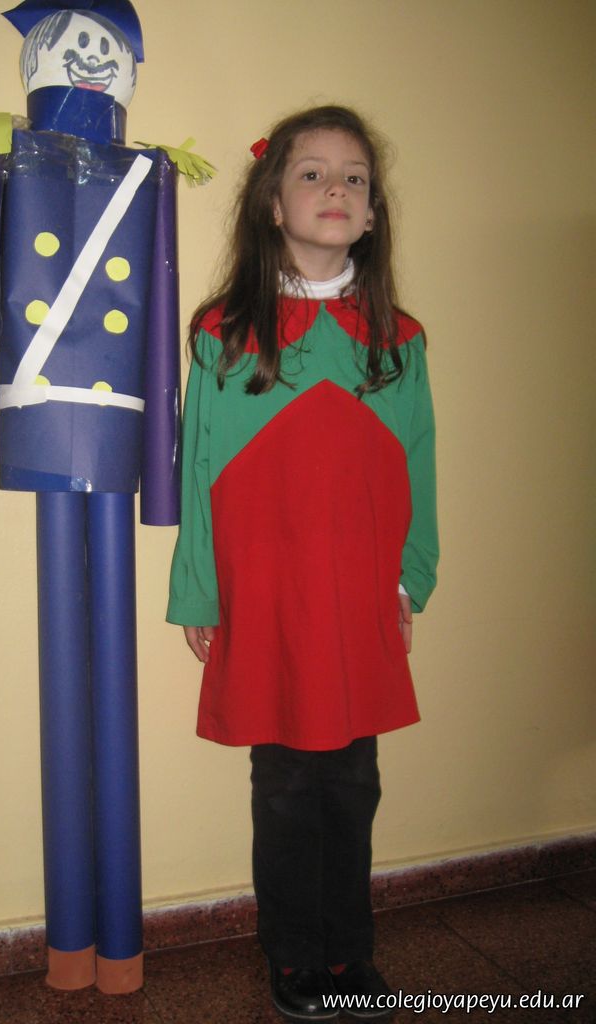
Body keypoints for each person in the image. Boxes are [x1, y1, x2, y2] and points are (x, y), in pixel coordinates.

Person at [167, 105, 438, 1021]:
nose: (336, 189)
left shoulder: (399, 341)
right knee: (284, 786)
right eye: (312, 173)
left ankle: (350, 953)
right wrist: (201, 592)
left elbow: (419, 467)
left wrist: (409, 578)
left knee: (353, 786)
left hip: (357, 596)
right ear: (273, 204)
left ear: (372, 213)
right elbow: (198, 469)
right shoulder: (224, 332)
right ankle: (294, 957)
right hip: (268, 597)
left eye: (354, 178)